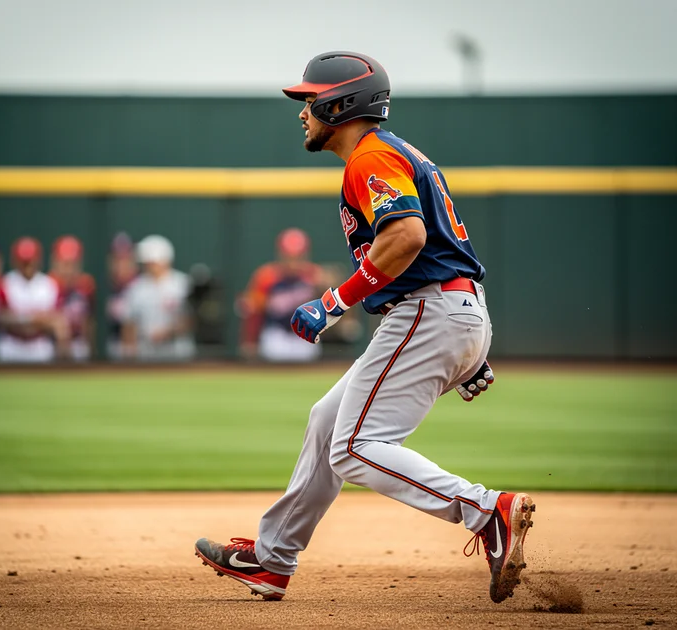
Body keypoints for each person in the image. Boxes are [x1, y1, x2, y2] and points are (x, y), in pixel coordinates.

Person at [194, 51, 533, 604]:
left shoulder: (369, 159)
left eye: (310, 101)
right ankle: (273, 559)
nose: (302, 112)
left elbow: (407, 238)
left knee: (353, 446)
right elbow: (438, 250)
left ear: (340, 102)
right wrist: (466, 353)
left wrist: (333, 302)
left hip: (431, 312)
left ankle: (485, 512)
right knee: (328, 420)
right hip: (446, 311)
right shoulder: (391, 154)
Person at [239, 228, 328, 362]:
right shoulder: (266, 277)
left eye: (298, 257)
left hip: (306, 337)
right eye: (289, 257)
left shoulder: (316, 277)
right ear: (280, 254)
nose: (293, 263)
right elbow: (253, 312)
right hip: (276, 336)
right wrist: (250, 341)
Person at [0, 237, 69, 363]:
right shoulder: (6, 283)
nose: (28, 266)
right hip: (11, 346)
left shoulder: (50, 284)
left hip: (39, 346)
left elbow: (57, 321)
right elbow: (1, 318)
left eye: (30, 261)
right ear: (15, 261)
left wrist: (19, 317)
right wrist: (36, 318)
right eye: (24, 262)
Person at [120, 235, 194, 361]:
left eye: (152, 262)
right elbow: (129, 324)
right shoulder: (136, 288)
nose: (149, 265)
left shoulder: (183, 284)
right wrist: (129, 353)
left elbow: (191, 320)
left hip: (178, 352)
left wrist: (168, 332)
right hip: (146, 353)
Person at [49, 235, 95, 361]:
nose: (69, 270)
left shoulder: (86, 285)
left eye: (72, 264)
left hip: (78, 344)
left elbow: (89, 321)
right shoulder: (47, 286)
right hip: (50, 345)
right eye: (65, 264)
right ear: (55, 262)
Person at [106, 232, 138, 359]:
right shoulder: (99, 286)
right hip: (107, 349)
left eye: (126, 258)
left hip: (141, 350)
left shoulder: (141, 286)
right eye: (117, 259)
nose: (122, 264)